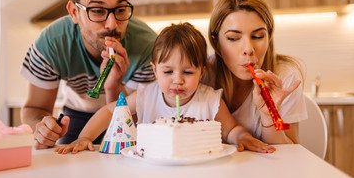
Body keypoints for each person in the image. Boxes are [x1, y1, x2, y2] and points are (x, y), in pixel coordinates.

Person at [55, 22, 276, 154]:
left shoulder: (210, 100)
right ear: (155, 70)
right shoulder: (145, 96)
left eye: (188, 72)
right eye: (168, 72)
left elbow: (231, 130)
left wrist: (243, 138)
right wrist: (84, 137)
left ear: (202, 71)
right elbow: (109, 111)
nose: (177, 80)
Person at [20, 0, 157, 149]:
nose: (112, 24)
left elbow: (134, 119)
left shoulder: (148, 47)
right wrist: (42, 128)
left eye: (120, 10)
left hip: (125, 118)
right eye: (98, 11)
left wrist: (114, 86)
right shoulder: (51, 43)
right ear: (74, 12)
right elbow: (34, 108)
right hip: (75, 116)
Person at [204, 0, 308, 144]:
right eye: (233, 38)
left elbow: (291, 152)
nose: (248, 49)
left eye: (258, 36)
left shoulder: (286, 77)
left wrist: (269, 115)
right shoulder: (202, 74)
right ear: (216, 43)